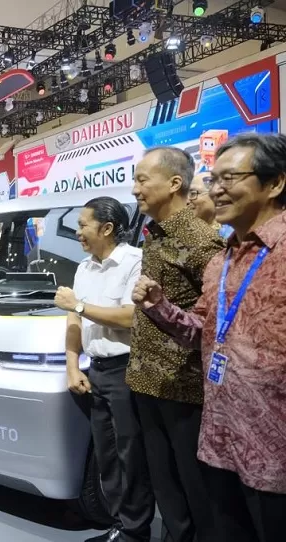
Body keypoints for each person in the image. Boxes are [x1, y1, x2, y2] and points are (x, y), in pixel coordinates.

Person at [132, 134, 286, 542]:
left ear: (275, 183)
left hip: (275, 454)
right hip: (220, 442)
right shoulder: (222, 260)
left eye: (229, 178)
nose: (215, 190)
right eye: (213, 179)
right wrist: (159, 306)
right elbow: (203, 331)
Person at [127, 146, 225, 542]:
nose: (135, 189)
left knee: (196, 490)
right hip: (147, 381)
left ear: (174, 183)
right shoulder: (155, 233)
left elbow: (217, 323)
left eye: (141, 179)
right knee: (165, 485)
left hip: (185, 390)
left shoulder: (203, 243)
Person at [54, 197, 154, 542]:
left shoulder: (134, 262)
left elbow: (131, 317)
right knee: (107, 455)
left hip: (126, 370)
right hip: (95, 370)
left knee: (131, 454)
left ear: (107, 228)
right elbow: (73, 319)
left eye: (83, 225)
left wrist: (78, 304)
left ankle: (135, 530)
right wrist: (72, 367)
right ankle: (120, 524)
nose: (79, 232)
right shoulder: (85, 267)